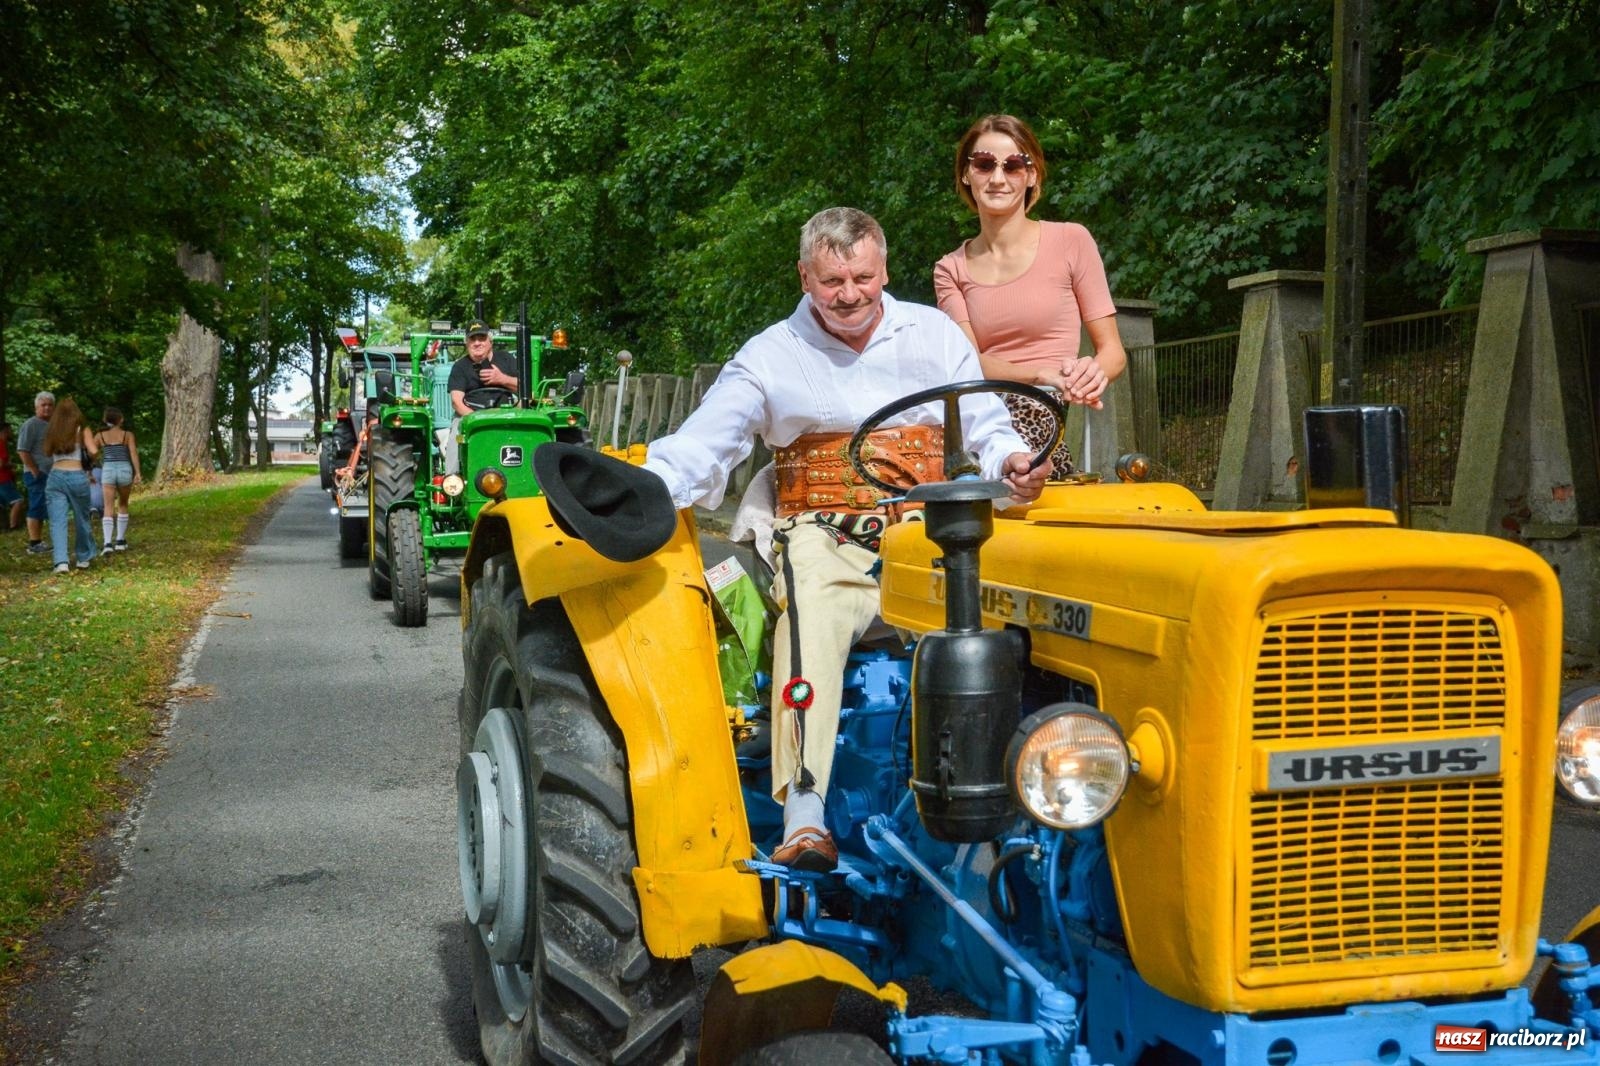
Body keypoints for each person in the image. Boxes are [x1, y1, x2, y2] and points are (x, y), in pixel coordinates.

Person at [641, 207, 1050, 872]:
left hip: (925, 530)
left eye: (863, 276)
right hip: (819, 530)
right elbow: (703, 443)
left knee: (1029, 597)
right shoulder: (771, 355)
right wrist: (651, 485)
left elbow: (985, 420)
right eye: (833, 281)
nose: (851, 294)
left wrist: (1009, 461)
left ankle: (1036, 785)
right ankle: (804, 812)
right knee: (815, 597)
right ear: (805, 276)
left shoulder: (933, 334)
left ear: (884, 269)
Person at [933, 114, 1128, 476]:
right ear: (965, 173)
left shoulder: (1072, 241)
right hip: (979, 412)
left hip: (1042, 412)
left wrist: (1086, 376)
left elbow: (1113, 353)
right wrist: (1040, 373)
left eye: (1013, 165)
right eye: (984, 164)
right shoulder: (950, 268)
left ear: (1033, 174)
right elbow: (966, 363)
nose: (997, 178)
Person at [443, 320, 519, 474]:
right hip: (471, 417)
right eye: (472, 339)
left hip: (506, 415)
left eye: (481, 338)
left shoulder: (507, 359)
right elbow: (457, 402)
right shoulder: (460, 366)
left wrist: (502, 379)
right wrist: (477, 421)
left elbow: (527, 391)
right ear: (467, 343)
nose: (477, 343)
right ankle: (452, 483)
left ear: (490, 341)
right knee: (456, 434)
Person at [41, 396, 99, 573]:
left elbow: (46, 452)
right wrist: (89, 460)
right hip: (77, 475)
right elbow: (94, 451)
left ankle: (61, 562)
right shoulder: (82, 429)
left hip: (55, 476)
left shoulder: (53, 429)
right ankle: (83, 558)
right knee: (81, 518)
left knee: (58, 520)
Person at [94, 406, 142, 551]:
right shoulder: (127, 435)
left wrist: (90, 469)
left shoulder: (100, 436)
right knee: (123, 503)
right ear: (120, 419)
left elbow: (92, 453)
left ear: (105, 420)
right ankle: (120, 540)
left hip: (108, 469)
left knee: (108, 506)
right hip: (124, 469)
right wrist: (137, 472)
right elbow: (133, 454)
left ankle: (107, 543)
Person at [17, 391, 56, 554]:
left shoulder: (51, 425)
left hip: (50, 473)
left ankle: (38, 541)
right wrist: (34, 470)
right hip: (37, 473)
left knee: (41, 507)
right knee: (36, 505)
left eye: (49, 405)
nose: (46, 408)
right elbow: (22, 450)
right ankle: (34, 543)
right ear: (36, 407)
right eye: (43, 405)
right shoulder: (31, 424)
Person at [0, 422, 24, 532]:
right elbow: (1, 464)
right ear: (4, 430)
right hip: (3, 479)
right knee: (17, 501)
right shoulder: (1, 443)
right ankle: (13, 527)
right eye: (9, 430)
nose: (11, 432)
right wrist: (12, 465)